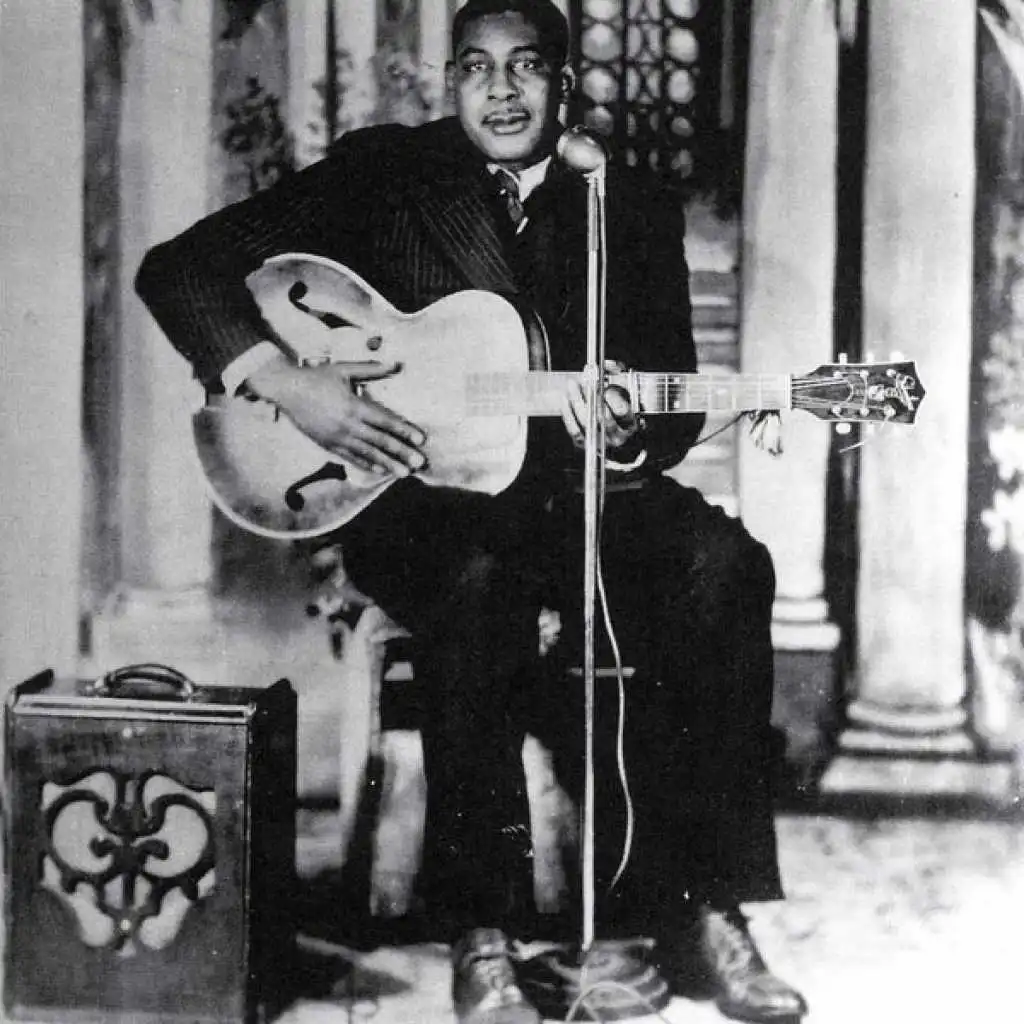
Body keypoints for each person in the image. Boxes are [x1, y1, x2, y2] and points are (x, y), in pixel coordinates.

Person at [136, 2, 808, 1021]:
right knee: (475, 586)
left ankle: (705, 908)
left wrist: (629, 429)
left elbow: (670, 395)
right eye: (478, 68)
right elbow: (177, 270)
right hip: (421, 497)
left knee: (724, 564)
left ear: (565, 84)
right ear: (450, 81)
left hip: (578, 493)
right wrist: (287, 380)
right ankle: (482, 932)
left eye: (526, 67)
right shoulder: (385, 173)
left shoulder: (625, 201)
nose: (501, 91)